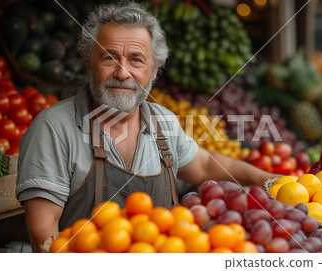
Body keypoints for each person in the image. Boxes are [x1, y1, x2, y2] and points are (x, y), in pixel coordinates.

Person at [16, 2, 278, 252]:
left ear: (154, 72)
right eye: (109, 58)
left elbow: (206, 164)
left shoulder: (162, 121)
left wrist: (269, 182)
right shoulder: (53, 129)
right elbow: (44, 236)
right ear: (87, 64)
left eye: (136, 60)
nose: (122, 72)